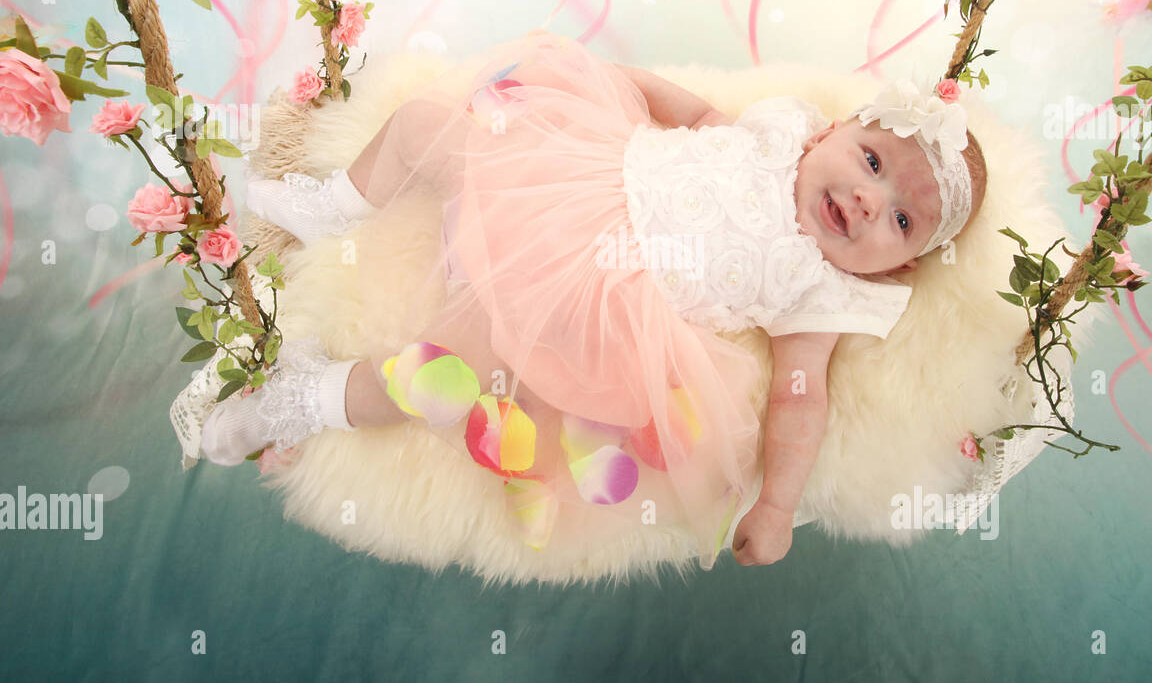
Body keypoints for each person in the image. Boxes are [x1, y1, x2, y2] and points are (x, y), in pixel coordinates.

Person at [199, 29, 987, 569]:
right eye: (873, 160)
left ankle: (303, 400)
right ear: (833, 134)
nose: (866, 199)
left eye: (903, 220)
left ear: (896, 271)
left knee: (434, 375)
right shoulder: (780, 132)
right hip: (574, 176)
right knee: (422, 127)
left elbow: (801, 397)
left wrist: (776, 506)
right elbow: (695, 112)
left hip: (595, 298)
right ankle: (337, 201)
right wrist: (625, 84)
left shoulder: (820, 288)